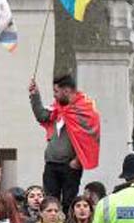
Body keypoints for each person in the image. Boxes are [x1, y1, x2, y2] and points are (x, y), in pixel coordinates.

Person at [28, 75, 101, 213]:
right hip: (51, 163)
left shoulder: (84, 109)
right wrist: (34, 96)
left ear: (66, 91)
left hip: (70, 166)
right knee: (50, 202)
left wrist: (78, 160)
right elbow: (42, 115)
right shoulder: (58, 108)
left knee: (68, 203)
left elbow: (90, 138)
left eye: (56, 92)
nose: (54, 96)